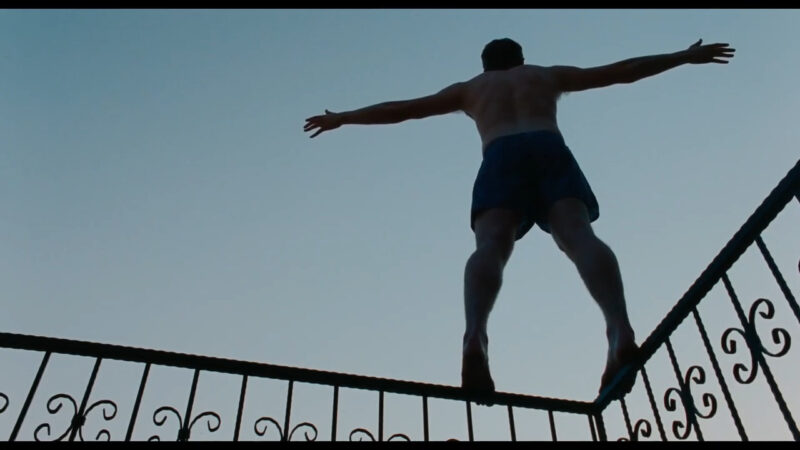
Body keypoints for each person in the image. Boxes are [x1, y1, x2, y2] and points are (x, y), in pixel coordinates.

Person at [303, 38, 735, 401]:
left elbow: (405, 108)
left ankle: (475, 335)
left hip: (500, 153)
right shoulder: (545, 76)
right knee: (579, 236)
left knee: (491, 245)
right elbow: (622, 70)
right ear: (521, 59)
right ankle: (619, 329)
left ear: (485, 65)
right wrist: (682, 56)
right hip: (548, 147)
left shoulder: (472, 89)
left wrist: (343, 117)